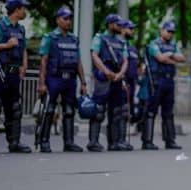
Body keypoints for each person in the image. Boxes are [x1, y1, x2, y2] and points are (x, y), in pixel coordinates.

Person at [36, 6, 87, 153]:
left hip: (70, 80)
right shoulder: (49, 38)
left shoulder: (74, 39)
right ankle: (44, 142)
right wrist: (41, 83)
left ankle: (69, 142)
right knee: (49, 110)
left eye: (70, 18)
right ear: (58, 20)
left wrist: (83, 82)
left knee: (69, 111)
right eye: (65, 18)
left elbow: (78, 62)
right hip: (54, 79)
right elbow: (43, 61)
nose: (68, 21)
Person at [0, 0, 32, 154]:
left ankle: (14, 143)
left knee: (15, 109)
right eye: (23, 8)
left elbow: (23, 48)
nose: (25, 11)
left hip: (13, 71)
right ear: (16, 10)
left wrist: (24, 65)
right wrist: (6, 45)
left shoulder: (21, 29)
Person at [88, 14, 129, 152]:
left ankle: (114, 143)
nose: (120, 27)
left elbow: (125, 60)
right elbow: (94, 55)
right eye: (118, 24)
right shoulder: (99, 38)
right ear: (110, 24)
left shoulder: (121, 42)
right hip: (103, 79)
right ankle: (93, 142)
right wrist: (106, 71)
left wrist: (120, 74)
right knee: (98, 111)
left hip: (116, 78)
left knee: (116, 112)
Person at [144, 21, 186, 150]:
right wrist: (172, 59)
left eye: (172, 32)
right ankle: (147, 141)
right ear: (161, 30)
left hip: (169, 81)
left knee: (168, 112)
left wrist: (170, 55)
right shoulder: (154, 44)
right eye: (168, 31)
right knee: (151, 112)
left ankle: (170, 141)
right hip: (156, 81)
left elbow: (182, 58)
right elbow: (160, 58)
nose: (170, 34)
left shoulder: (173, 45)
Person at [118, 19, 138, 150]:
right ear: (123, 29)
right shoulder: (118, 44)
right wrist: (122, 79)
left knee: (128, 112)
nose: (132, 31)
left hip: (132, 82)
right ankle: (118, 139)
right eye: (130, 28)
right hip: (122, 81)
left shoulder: (132, 47)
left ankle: (123, 139)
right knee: (120, 111)